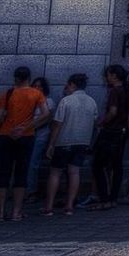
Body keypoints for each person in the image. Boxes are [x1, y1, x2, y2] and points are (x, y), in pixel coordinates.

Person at [0, 66, 47, 221]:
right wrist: (27, 126)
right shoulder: (36, 93)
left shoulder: (7, 93)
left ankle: (1, 212)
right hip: (26, 136)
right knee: (21, 173)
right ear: (29, 78)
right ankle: (17, 212)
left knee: (4, 172)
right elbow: (45, 114)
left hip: (5, 135)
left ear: (15, 78)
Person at [43, 73, 98, 216]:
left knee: (55, 173)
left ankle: (48, 207)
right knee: (74, 172)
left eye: (68, 84)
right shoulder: (92, 102)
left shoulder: (66, 101)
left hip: (64, 141)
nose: (66, 87)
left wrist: (51, 144)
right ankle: (69, 206)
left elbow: (57, 124)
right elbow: (95, 123)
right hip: (82, 142)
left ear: (73, 84)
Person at [90, 64, 129, 210]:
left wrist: (101, 122)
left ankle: (104, 199)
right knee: (116, 166)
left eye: (108, 75)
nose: (106, 78)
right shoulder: (127, 90)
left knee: (98, 165)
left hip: (111, 132)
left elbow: (113, 112)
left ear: (114, 76)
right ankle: (113, 199)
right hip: (122, 131)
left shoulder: (115, 91)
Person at [25, 77, 53, 202]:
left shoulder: (49, 101)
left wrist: (30, 127)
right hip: (27, 134)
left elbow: (47, 119)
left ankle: (31, 191)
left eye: (40, 86)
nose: (37, 88)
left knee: (33, 163)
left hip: (40, 134)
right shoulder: (29, 101)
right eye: (35, 86)